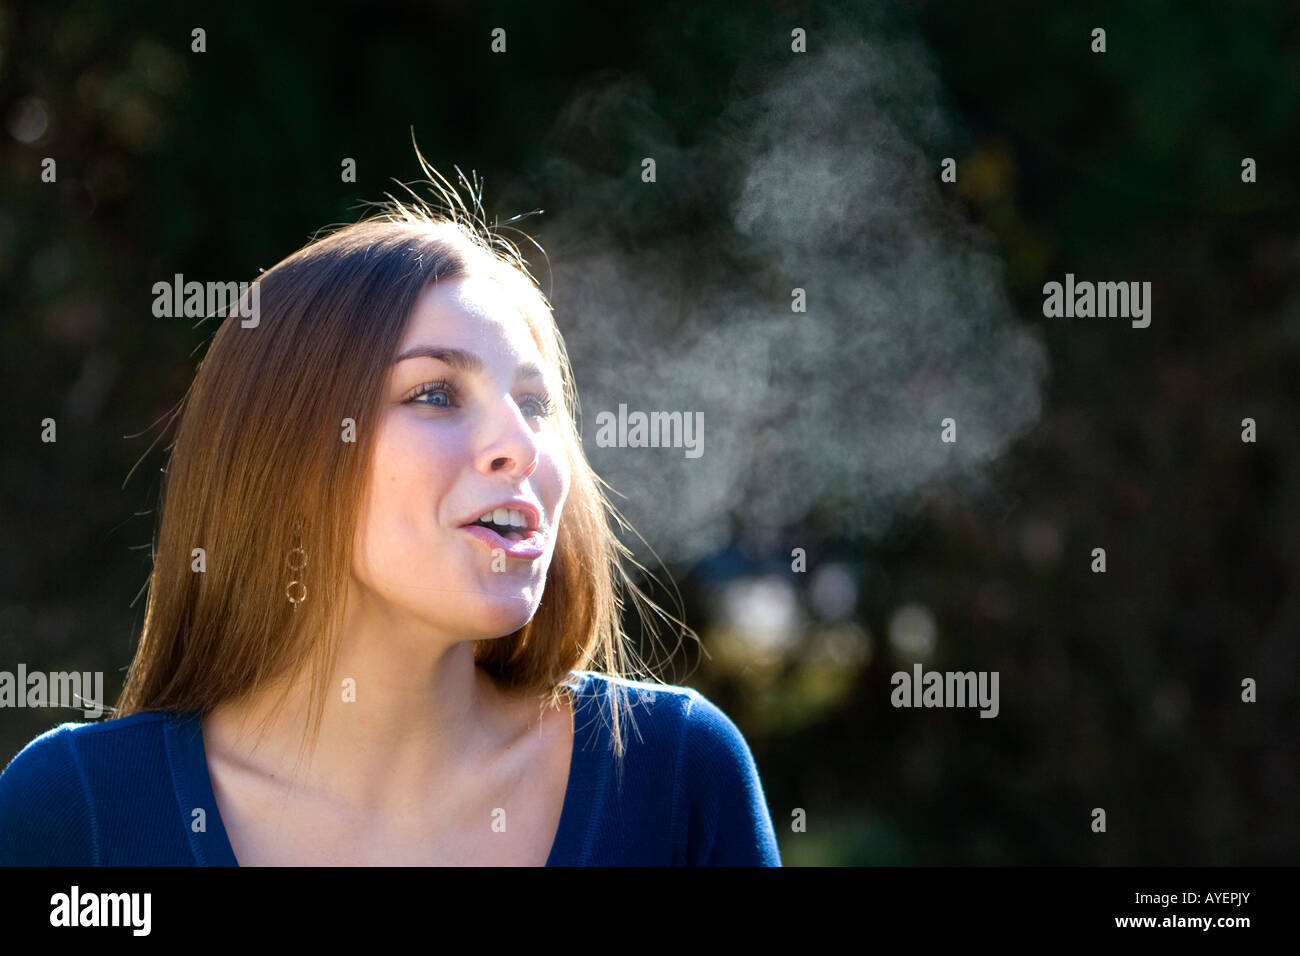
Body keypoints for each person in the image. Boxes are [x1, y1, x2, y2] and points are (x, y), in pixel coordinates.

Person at [0, 164, 781, 866]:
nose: (522, 445)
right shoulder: (75, 811)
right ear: (290, 466)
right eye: (434, 394)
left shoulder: (674, 776)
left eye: (536, 405)